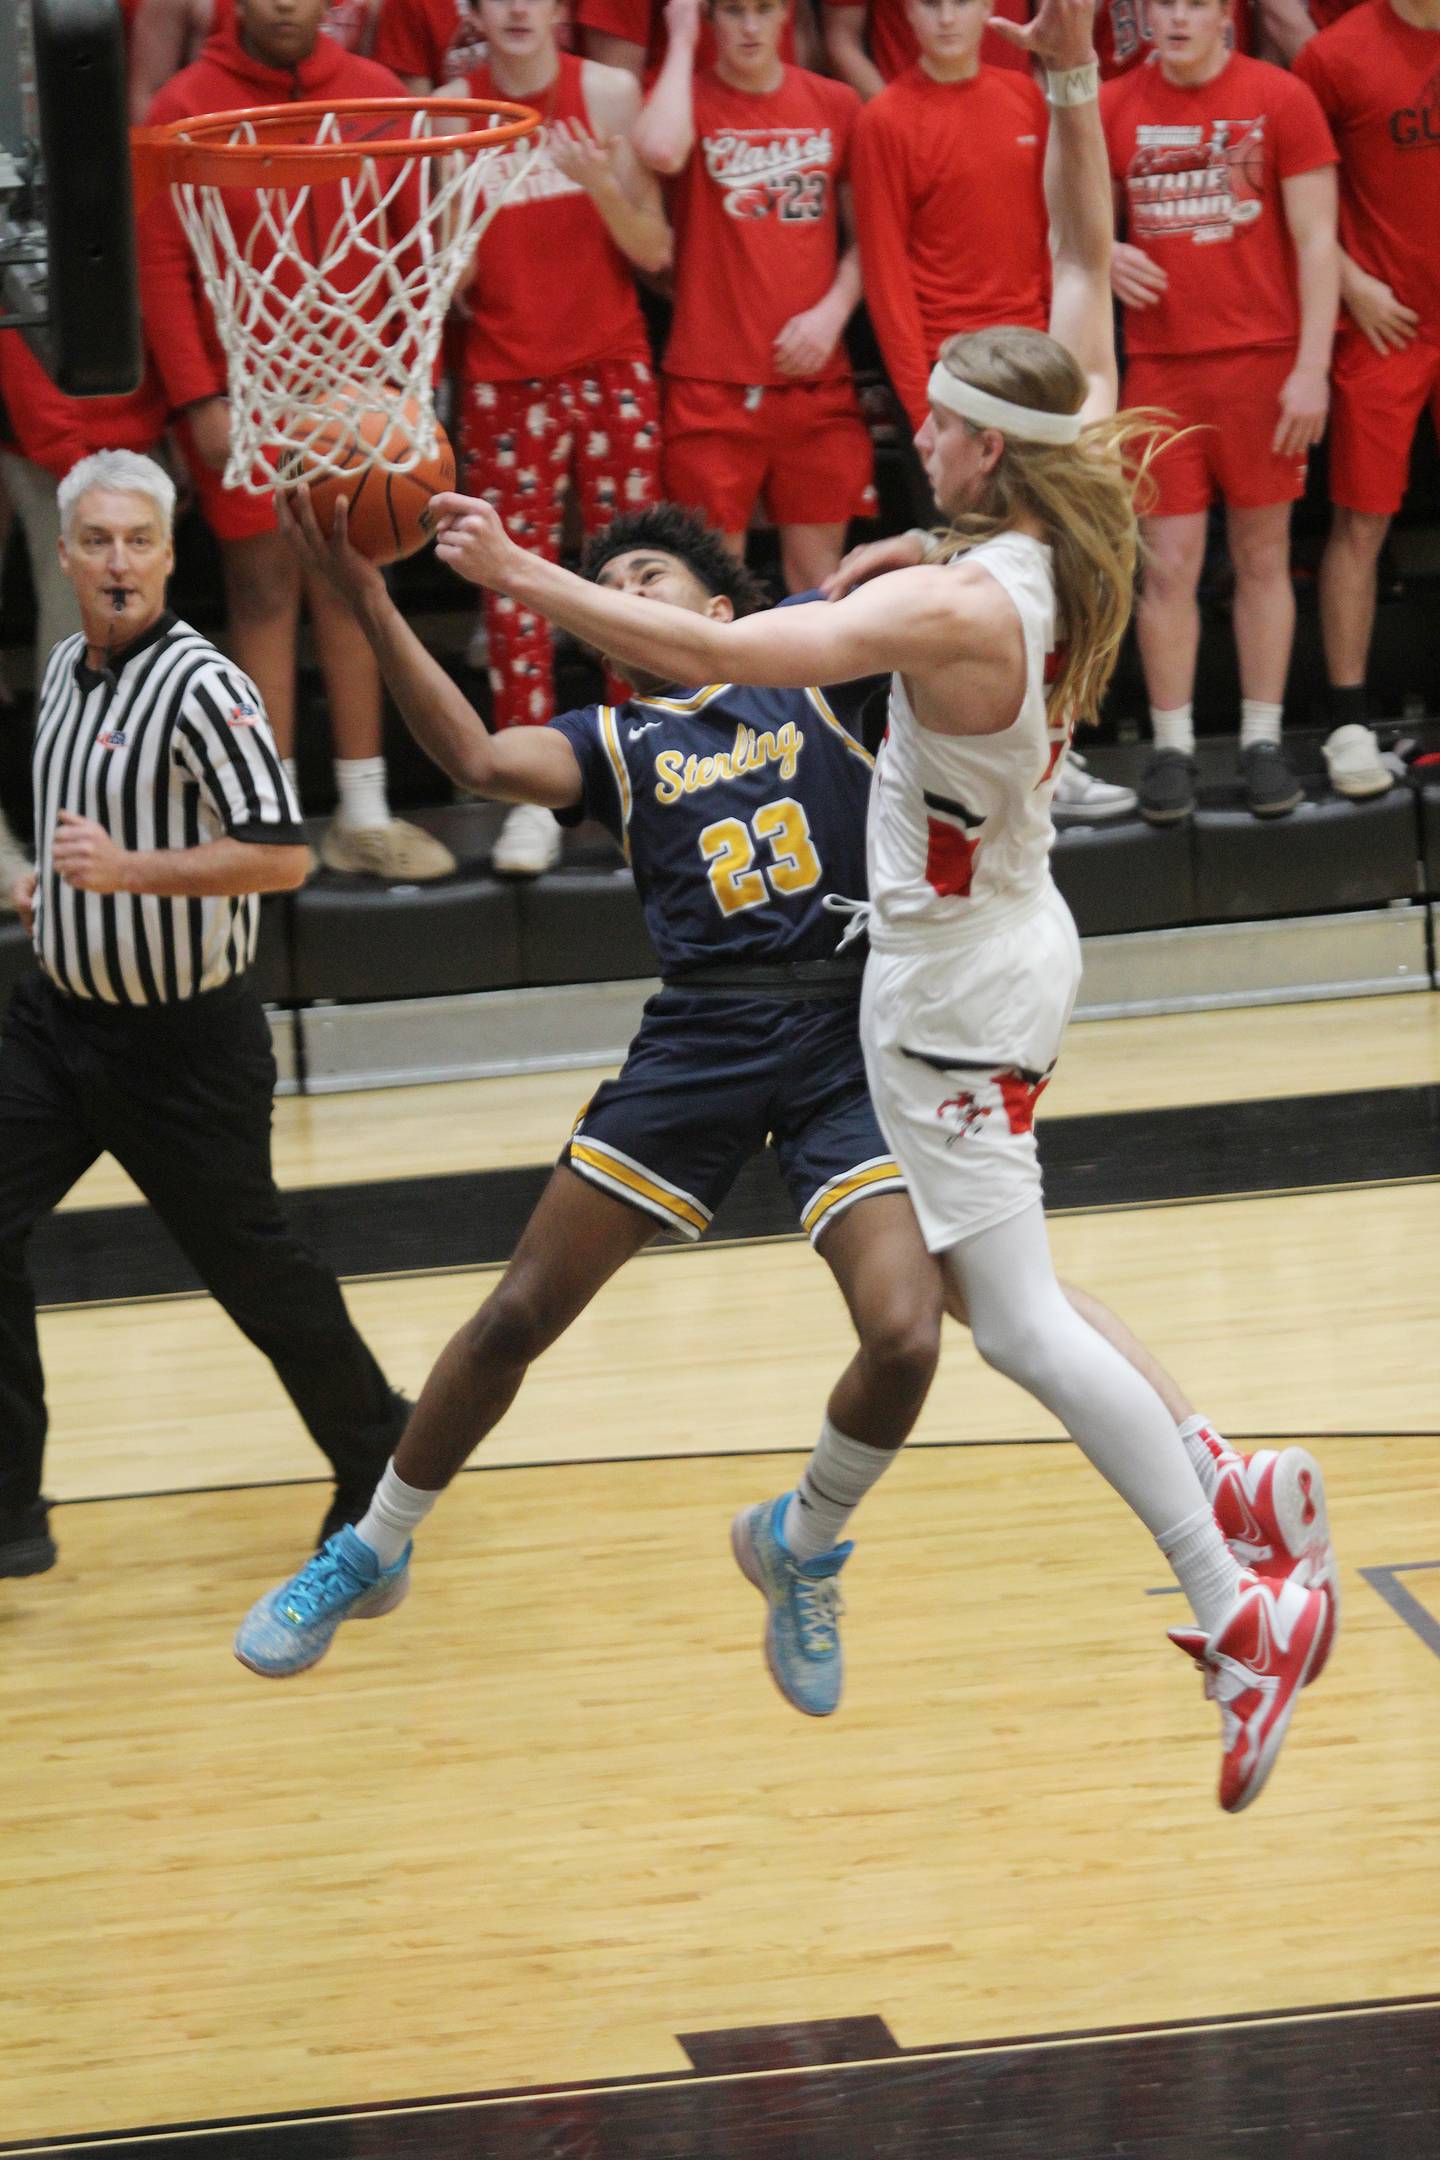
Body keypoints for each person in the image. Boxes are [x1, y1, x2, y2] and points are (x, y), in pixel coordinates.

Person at [419, 0, 1337, 1811]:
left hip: (946, 988)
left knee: (1019, 1324)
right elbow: (1084, 264)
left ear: (989, 451)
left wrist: (523, 572)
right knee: (1012, 1304)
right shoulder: (1038, 531)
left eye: (938, 425)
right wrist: (1071, 81)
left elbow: (714, 642)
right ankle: (1223, 1494)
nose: (919, 430)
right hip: (999, 942)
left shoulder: (955, 606)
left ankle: (1241, 1602)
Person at [236, 486, 1332, 1761]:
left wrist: (921, 545)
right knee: (519, 1310)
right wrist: (370, 599)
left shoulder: (816, 674)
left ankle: (803, 1545)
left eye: (649, 577)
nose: (627, 600)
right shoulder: (613, 738)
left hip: (850, 1035)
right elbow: (481, 761)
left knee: (914, 1329)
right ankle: (371, 1546)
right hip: (701, 1039)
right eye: (613, 592)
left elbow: (963, 598)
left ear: (717, 609)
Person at [0, 450, 410, 1579]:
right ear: (67, 555)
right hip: (53, 1025)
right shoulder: (67, 671)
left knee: (254, 1270)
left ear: (172, 555)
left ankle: (381, 1452)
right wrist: (51, 886)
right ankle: (8, 1508)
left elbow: (280, 858)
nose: (119, 561)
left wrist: (128, 873)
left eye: (140, 540)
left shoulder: (204, 684)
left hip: (180, 1047)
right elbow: (85, 839)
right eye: (97, 541)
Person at [137, 0, 457, 882]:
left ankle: (363, 812)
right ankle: (271, 821)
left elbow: (414, 243)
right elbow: (161, 264)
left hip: (356, 394)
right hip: (244, 393)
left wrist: (401, 383)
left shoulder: (379, 93)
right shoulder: (182, 105)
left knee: (356, 590)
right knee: (264, 595)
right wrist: (198, 396)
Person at [442, 0, 671, 878]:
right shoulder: (450, 111)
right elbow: (446, 278)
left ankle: (642, 782)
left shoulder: (608, 93)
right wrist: (458, 236)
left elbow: (656, 248)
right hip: (504, 376)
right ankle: (536, 800)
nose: (512, 9)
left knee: (634, 583)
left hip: (612, 364)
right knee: (510, 594)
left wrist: (599, 179)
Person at [1101, 0, 1339, 825]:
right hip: (1162, 372)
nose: (1175, 15)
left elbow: (1317, 240)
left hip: (1266, 363)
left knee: (1264, 554)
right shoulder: (1111, 104)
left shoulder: (1281, 96)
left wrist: (1313, 368)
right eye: (1160, 2)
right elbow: (1062, 221)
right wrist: (1106, 249)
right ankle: (1171, 749)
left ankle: (1263, 740)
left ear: (1225, 12)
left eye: (1194, 1)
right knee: (1166, 566)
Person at [635, 0, 877, 595]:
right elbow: (661, 152)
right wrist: (682, 35)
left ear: (787, 15)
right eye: (731, 12)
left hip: (816, 381)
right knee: (711, 587)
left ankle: (812, 695)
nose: (748, 27)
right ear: (709, 19)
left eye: (762, 10)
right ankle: (724, 696)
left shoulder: (835, 104)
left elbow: (873, 237)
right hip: (709, 381)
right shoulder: (680, 98)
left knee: (821, 587)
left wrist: (833, 312)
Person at [1295, 0, 1440, 801]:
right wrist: (1353, 285)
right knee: (1360, 521)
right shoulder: (1336, 57)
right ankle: (1349, 719)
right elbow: (1300, 194)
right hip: (1384, 327)